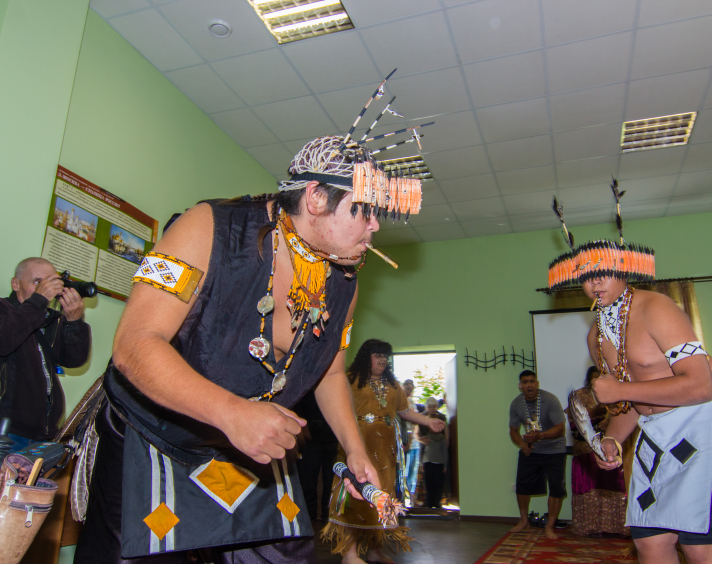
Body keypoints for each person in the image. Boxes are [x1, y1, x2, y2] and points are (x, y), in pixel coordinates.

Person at [75, 132, 424, 563]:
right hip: (152, 436)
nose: (375, 226)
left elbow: (330, 372)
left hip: (254, 446)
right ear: (316, 198)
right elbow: (134, 344)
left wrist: (354, 448)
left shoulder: (344, 278)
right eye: (364, 210)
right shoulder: (205, 228)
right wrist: (232, 414)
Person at [547, 183, 712, 564]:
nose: (595, 282)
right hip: (656, 434)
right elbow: (630, 402)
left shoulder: (656, 307)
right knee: (650, 543)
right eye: (586, 276)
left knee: (698, 545)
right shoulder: (596, 336)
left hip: (706, 422)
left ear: (623, 270)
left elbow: (699, 386)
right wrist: (612, 438)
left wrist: (619, 390)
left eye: (603, 273)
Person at [322, 339, 445, 564]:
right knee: (354, 495)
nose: (382, 360)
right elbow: (335, 408)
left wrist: (428, 421)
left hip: (386, 449)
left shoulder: (393, 385)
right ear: (365, 357)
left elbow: (405, 412)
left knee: (381, 496)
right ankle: (350, 555)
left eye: (385, 356)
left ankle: (375, 550)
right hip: (357, 444)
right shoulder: (349, 380)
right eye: (377, 355)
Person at [0, 257, 90, 451]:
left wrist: (74, 321)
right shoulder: (4, 310)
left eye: (52, 282)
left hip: (44, 434)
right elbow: (4, 341)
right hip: (7, 430)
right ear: (15, 284)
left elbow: (74, 360)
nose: (47, 289)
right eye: (38, 282)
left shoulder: (50, 319)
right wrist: (38, 301)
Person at [567, 366, 626, 537]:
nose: (596, 381)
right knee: (588, 489)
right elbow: (574, 423)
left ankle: (617, 528)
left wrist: (609, 422)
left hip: (610, 448)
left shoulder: (617, 393)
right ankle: (590, 527)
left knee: (613, 486)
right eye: (593, 378)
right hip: (585, 451)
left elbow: (625, 417)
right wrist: (592, 413)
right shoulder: (580, 395)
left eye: (600, 377)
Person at [508, 369, 566, 539]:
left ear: (537, 384)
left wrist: (540, 436)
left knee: (556, 488)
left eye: (532, 381)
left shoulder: (550, 399)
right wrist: (522, 444)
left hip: (554, 450)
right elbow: (513, 431)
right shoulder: (516, 404)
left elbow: (560, 429)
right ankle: (524, 521)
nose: (529, 385)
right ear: (520, 386)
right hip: (532, 450)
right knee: (522, 486)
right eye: (525, 382)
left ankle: (550, 526)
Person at [295, 390, 340, 521]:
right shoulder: (306, 388)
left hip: (332, 440)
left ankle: (328, 517)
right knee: (308, 483)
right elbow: (298, 411)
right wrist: (304, 433)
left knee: (330, 483)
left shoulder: (333, 388)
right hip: (311, 440)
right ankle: (309, 518)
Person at [417, 397, 448, 508]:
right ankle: (429, 504)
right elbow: (421, 447)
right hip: (428, 462)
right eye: (429, 406)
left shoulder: (442, 437)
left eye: (434, 406)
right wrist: (421, 462)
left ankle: (437, 503)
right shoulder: (424, 429)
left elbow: (445, 451)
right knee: (429, 484)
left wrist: (445, 465)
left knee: (439, 484)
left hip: (439, 463)